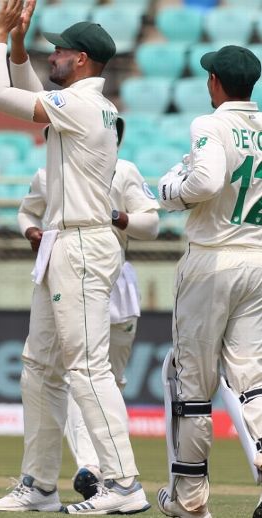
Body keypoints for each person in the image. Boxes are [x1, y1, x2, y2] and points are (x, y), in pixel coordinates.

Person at [0, 0, 150, 513]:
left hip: (81, 244)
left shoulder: (81, 106)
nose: (50, 56)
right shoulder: (83, 104)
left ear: (80, 60)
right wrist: (16, 46)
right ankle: (39, 485)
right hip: (64, 243)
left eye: (59, 51)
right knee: (39, 366)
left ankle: (124, 484)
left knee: (87, 369)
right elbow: (29, 90)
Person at [18, 118, 160, 502]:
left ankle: (108, 473)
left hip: (113, 281)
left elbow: (151, 224)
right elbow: (27, 212)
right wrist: (31, 231)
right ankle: (91, 467)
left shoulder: (123, 171)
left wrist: (113, 215)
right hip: (63, 273)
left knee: (103, 377)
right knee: (74, 372)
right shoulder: (46, 176)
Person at [155, 44, 262, 518]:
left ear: (214, 81)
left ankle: (189, 499)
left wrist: (169, 192)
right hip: (257, 259)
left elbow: (204, 183)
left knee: (191, 383)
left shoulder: (210, 124)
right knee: (252, 379)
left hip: (212, 259)